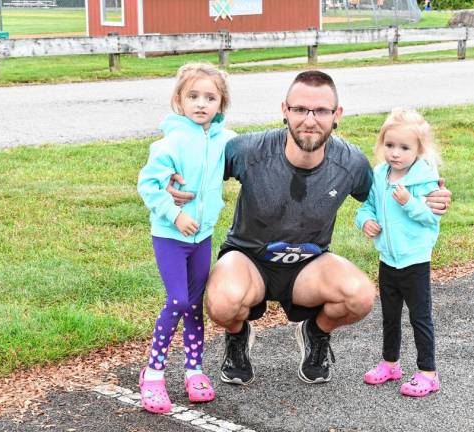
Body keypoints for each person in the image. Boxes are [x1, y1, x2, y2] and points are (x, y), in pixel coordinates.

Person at [167, 70, 452, 387]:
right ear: (284, 111)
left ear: (336, 115)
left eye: (320, 111)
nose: (310, 119)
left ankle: (315, 332)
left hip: (309, 265)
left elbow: (388, 189)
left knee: (360, 296)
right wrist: (171, 181)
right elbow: (197, 162)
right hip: (249, 260)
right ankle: (237, 336)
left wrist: (430, 195)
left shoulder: (351, 164)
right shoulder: (248, 151)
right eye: (300, 109)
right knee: (222, 304)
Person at [136, 62, 236, 413]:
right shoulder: (170, 143)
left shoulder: (225, 139)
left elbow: (252, 155)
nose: (201, 103)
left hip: (203, 237)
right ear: (179, 100)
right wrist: (175, 214)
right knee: (178, 301)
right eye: (193, 96)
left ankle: (194, 370)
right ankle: (153, 373)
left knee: (194, 305)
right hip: (170, 236)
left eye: (210, 97)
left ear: (221, 104)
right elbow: (148, 185)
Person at [356, 108, 441, 397]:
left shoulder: (425, 179)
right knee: (389, 316)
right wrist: (365, 220)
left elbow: (431, 218)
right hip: (387, 260)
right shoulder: (379, 176)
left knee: (420, 317)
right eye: (389, 145)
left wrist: (408, 202)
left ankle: (428, 372)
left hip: (415, 261)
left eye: (404, 147)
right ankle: (390, 364)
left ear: (419, 148)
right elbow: (367, 205)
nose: (395, 153)